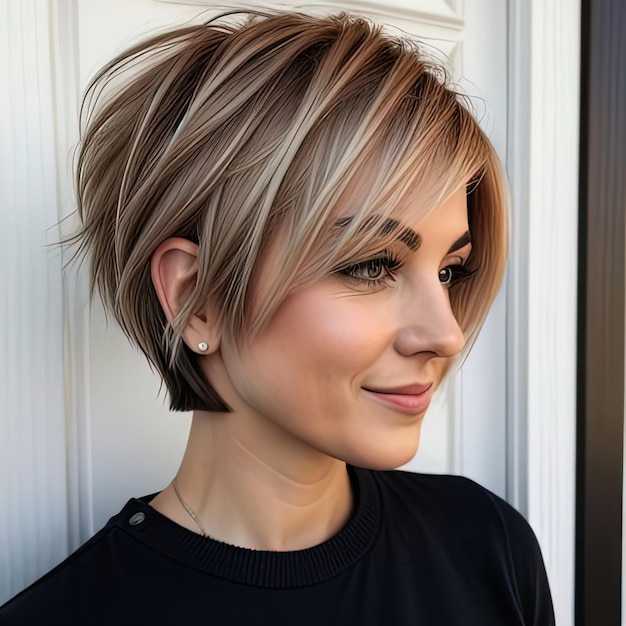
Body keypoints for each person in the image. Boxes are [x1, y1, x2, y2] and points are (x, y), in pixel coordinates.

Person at [0, 9, 554, 625]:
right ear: (196, 297)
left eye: (450, 270)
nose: (447, 334)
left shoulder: (487, 547)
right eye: (372, 265)